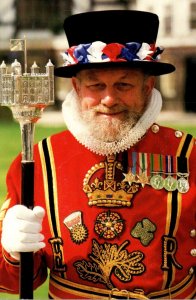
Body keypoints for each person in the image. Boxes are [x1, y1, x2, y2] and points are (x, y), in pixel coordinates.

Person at [0, 10, 195, 300]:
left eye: (123, 85)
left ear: (147, 87)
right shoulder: (39, 161)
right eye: (96, 85)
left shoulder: (189, 155)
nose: (109, 99)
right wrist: (12, 252)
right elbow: (16, 282)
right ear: (77, 88)